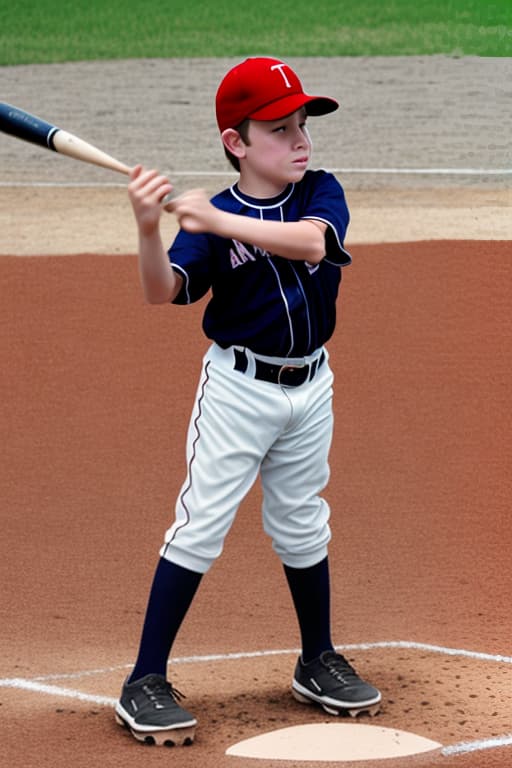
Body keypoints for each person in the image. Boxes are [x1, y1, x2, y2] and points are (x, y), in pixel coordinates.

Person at [115, 56, 381, 747]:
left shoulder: (320, 192)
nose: (300, 141)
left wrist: (215, 219)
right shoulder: (210, 221)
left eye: (302, 125)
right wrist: (152, 226)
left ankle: (316, 659)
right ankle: (144, 680)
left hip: (311, 385)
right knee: (201, 523)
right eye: (279, 129)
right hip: (238, 390)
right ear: (236, 142)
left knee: (301, 522)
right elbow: (162, 291)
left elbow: (312, 246)